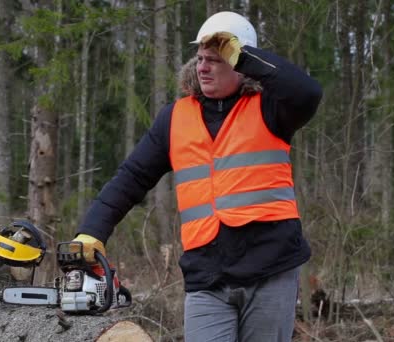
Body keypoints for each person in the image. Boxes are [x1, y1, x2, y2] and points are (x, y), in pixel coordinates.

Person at [73, 11, 322, 342]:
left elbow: (308, 93)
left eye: (216, 60)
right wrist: (92, 231)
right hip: (207, 276)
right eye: (200, 58)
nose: (202, 67)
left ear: (240, 62)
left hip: (270, 270)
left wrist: (245, 55)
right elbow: (131, 178)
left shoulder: (271, 107)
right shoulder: (175, 118)